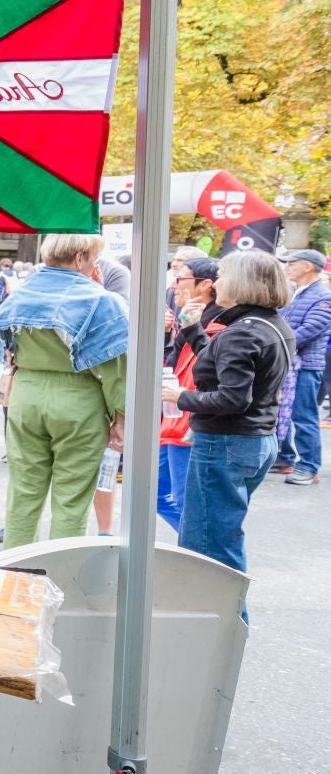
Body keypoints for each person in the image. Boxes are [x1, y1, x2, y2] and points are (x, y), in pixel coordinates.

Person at [163, 250, 296, 608]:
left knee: (210, 544)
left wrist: (182, 397)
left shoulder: (244, 331)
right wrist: (193, 331)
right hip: (255, 438)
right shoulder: (268, 324)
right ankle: (221, 620)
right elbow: (225, 365)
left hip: (227, 441)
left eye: (222, 276)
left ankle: (222, 622)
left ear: (241, 282)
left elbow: (232, 397)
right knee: (218, 536)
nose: (217, 282)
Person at [0, 234, 129, 548]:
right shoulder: (102, 300)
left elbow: (2, 349)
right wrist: (121, 418)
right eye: (93, 258)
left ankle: (15, 568)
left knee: (23, 492)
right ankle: (61, 572)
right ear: (80, 258)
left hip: (25, 395)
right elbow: (117, 369)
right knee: (71, 499)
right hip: (78, 398)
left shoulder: (20, 293)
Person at [157, 256, 221, 531]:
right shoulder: (192, 321)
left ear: (204, 285)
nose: (174, 284)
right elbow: (170, 365)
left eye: (180, 278)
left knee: (186, 502)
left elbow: (210, 370)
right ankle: (196, 547)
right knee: (157, 495)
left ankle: (201, 551)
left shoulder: (218, 326)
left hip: (189, 422)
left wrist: (190, 328)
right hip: (173, 420)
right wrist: (165, 334)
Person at [273, 248, 328, 486]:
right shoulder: (295, 292)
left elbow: (310, 329)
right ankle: (284, 457)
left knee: (303, 416)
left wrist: (275, 342)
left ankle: (308, 466)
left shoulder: (323, 296)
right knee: (279, 412)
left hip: (306, 365)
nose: (287, 267)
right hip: (288, 362)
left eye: (292, 263)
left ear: (307, 266)